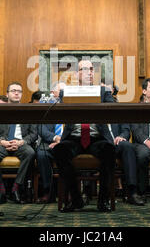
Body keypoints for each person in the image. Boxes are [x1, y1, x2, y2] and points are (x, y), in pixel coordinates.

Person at [53, 59, 116, 212]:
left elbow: (114, 109)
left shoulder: (103, 92)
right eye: (84, 69)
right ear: (76, 74)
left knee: (109, 150)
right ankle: (75, 199)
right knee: (60, 150)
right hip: (74, 138)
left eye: (91, 69)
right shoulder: (67, 92)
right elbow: (58, 112)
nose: (89, 72)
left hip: (96, 138)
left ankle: (103, 201)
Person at [0, 82, 38, 204]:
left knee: (30, 152)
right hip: (3, 144)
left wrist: (21, 142)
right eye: (13, 91)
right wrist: (2, 142)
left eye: (19, 91)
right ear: (7, 94)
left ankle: (16, 188)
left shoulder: (28, 111)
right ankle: (1, 190)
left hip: (21, 144)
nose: (16, 93)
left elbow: (33, 134)